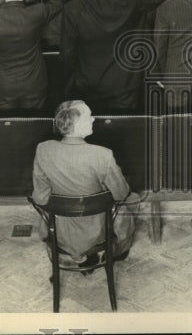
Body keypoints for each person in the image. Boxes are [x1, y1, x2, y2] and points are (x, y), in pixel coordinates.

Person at [60, 0, 171, 113]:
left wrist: (70, 84)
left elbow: (68, 53)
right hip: (126, 83)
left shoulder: (72, 8)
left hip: (87, 82)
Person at [31, 100, 138, 264]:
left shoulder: (43, 149)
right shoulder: (103, 154)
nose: (94, 119)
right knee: (134, 199)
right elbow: (121, 194)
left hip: (60, 230)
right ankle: (117, 251)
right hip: (99, 231)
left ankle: (79, 257)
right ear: (77, 124)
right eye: (89, 116)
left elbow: (40, 197)